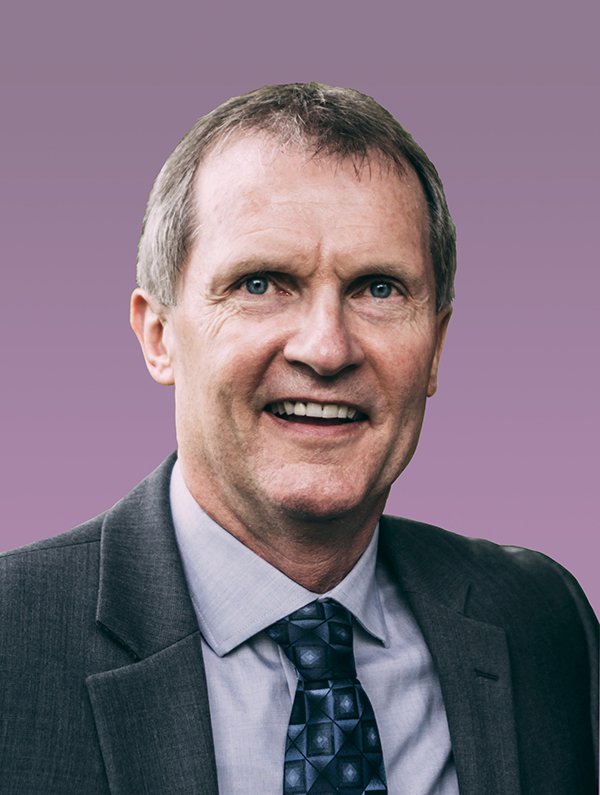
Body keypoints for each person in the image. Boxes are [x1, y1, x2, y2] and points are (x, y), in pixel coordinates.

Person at [0, 83, 597, 795]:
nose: (327, 348)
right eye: (261, 283)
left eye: (378, 288)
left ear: (436, 348)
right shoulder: (13, 640)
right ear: (159, 336)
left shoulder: (542, 618)